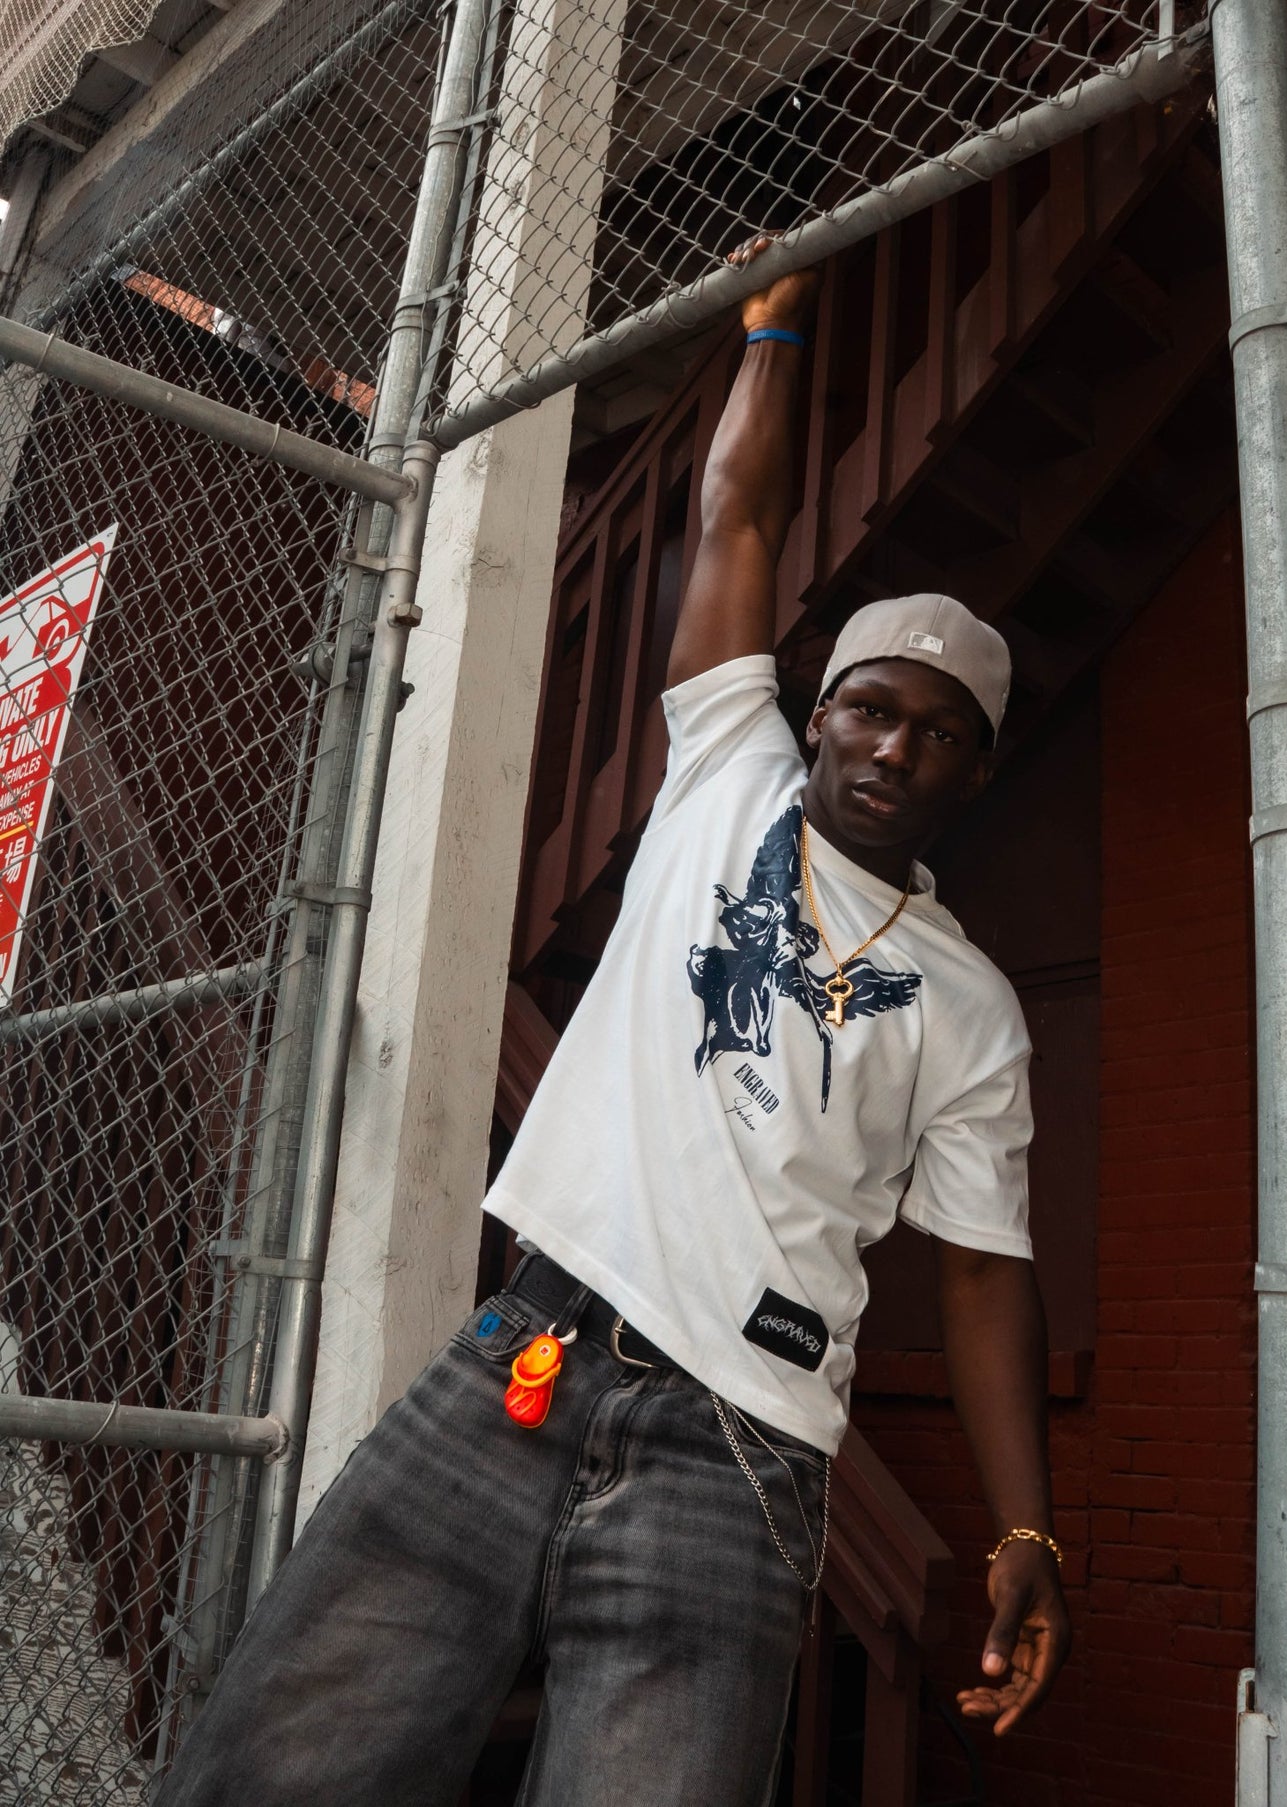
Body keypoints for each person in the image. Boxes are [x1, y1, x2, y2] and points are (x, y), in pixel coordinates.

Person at [156, 242, 1070, 1807]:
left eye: (937, 732)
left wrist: (1025, 1528)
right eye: (868, 705)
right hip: (520, 1359)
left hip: (740, 1449)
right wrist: (772, 326)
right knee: (271, 1765)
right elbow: (741, 517)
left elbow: (985, 1275)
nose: (891, 744)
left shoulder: (972, 1005)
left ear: (967, 776)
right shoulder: (726, 768)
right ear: (815, 707)